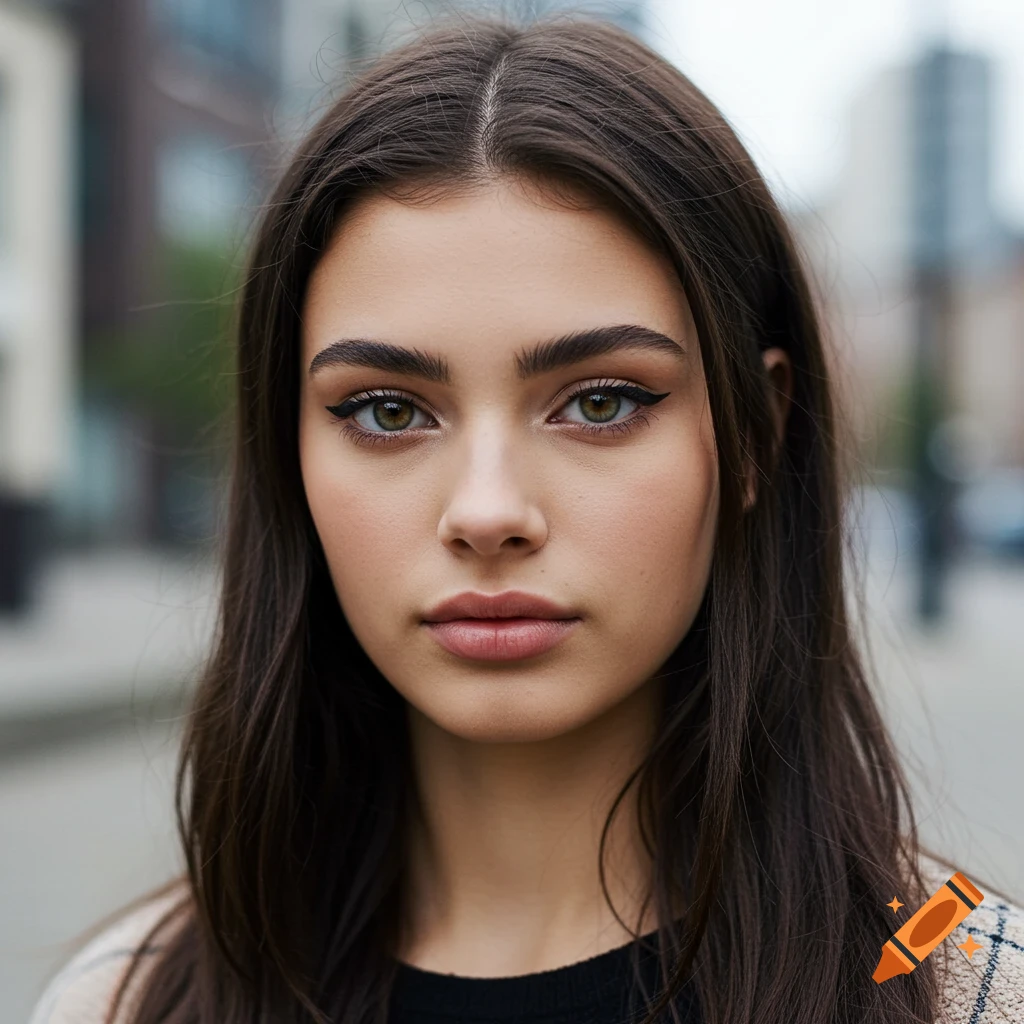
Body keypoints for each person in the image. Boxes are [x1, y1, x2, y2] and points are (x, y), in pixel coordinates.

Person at [29, 9, 1024, 1024]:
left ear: (758, 433)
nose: (488, 511)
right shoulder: (122, 999)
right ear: (287, 453)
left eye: (600, 402)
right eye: (386, 411)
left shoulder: (964, 983)